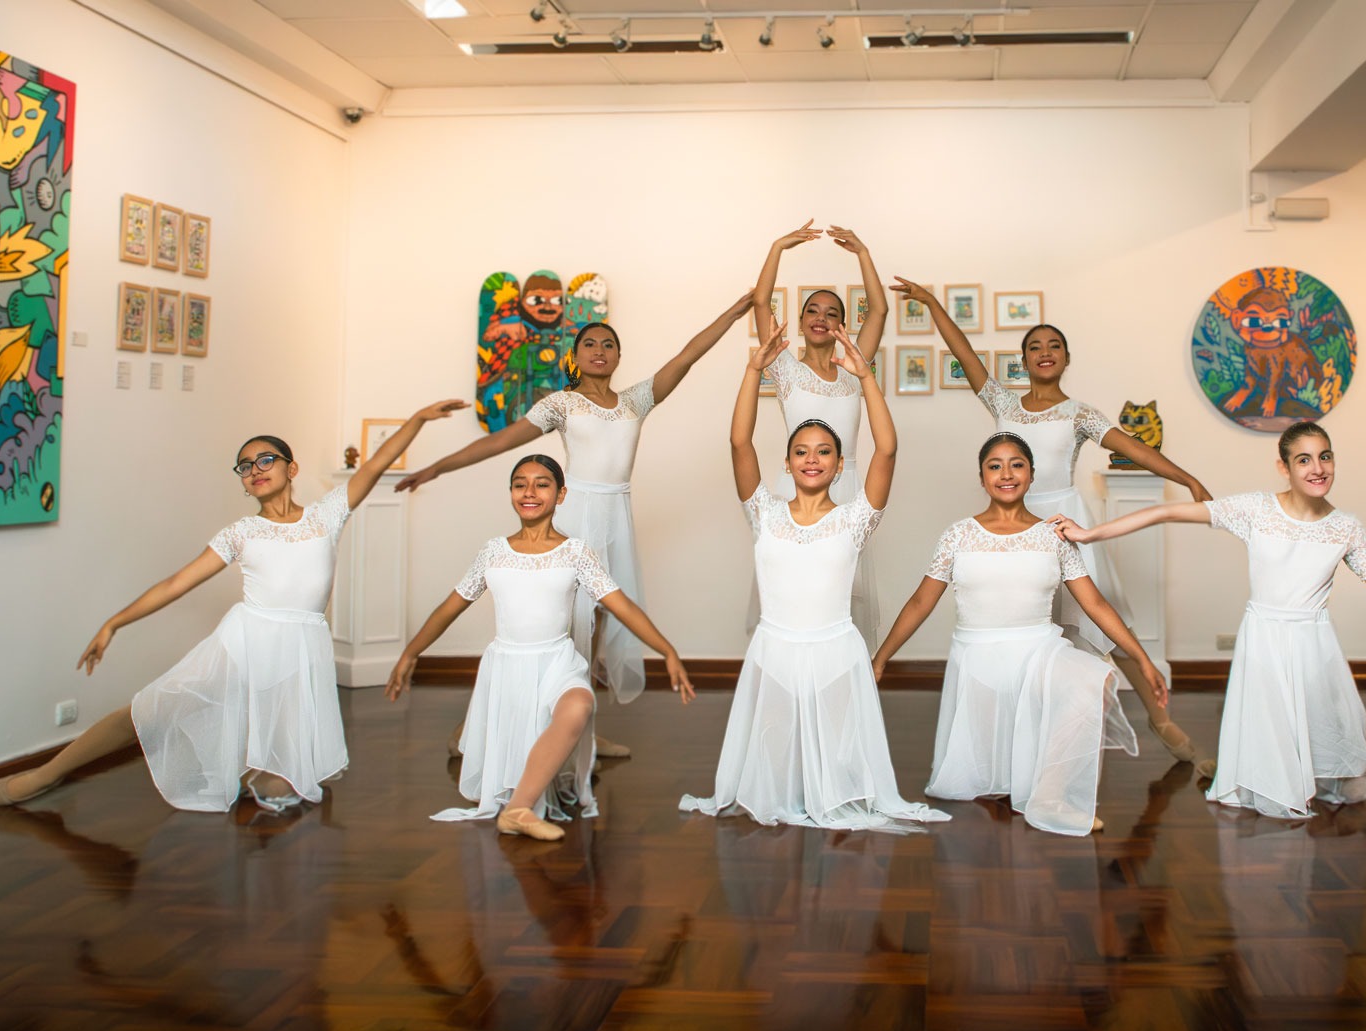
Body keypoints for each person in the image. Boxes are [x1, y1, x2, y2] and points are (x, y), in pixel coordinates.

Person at [0, 400, 469, 812]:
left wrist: (418, 419)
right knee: (149, 711)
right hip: (246, 641)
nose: (256, 470)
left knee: (286, 787)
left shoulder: (326, 516)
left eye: (266, 460)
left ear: (291, 468)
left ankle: (248, 771)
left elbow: (377, 463)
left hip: (300, 649)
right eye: (246, 466)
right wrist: (115, 622)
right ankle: (47, 773)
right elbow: (176, 582)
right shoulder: (241, 533)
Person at [400, 294, 750, 758]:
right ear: (576, 355)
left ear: (619, 356)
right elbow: (502, 440)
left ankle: (579, 728)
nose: (599, 349)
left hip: (616, 518)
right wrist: (438, 467)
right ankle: (474, 731)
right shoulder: (562, 404)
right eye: (590, 343)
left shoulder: (635, 402)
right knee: (560, 626)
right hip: (575, 515)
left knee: (600, 626)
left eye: (608, 343)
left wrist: (734, 312)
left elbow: (687, 355)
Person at [894, 277, 1216, 776]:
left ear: (1066, 358)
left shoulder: (1079, 413)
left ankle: (1159, 719)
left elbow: (1133, 447)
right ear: (1023, 360)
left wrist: (1187, 476)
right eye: (1034, 347)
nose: (1045, 353)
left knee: (1106, 625)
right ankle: (1032, 740)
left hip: (1065, 524)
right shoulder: (1004, 406)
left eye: (1054, 346)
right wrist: (934, 303)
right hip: (1012, 525)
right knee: (1032, 630)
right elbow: (965, 353)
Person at [1053, 421, 1366, 819]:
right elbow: (1167, 512)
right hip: (1263, 640)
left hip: (1315, 646)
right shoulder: (1255, 510)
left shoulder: (1346, 528)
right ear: (1284, 467)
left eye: (1325, 457)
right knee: (1271, 738)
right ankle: (1274, 788)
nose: (1317, 468)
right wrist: (1090, 535)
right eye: (1304, 460)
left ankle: (1317, 782)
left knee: (1325, 734)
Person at [680, 321, 948, 831]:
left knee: (840, 771)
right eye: (801, 451)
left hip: (835, 652)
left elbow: (888, 451)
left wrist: (865, 377)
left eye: (823, 452)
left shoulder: (855, 518)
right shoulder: (764, 511)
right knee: (777, 771)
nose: (811, 459)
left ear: (839, 463)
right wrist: (751, 370)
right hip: (775, 650)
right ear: (787, 460)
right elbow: (739, 443)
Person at [386, 454, 695, 841]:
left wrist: (667, 651)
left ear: (561, 494)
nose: (529, 491)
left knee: (579, 705)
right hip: (508, 667)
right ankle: (517, 806)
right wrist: (410, 653)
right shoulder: (493, 551)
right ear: (512, 493)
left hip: (558, 662)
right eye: (520, 484)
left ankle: (516, 810)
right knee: (519, 744)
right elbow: (449, 608)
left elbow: (622, 605)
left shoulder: (576, 552)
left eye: (542, 483)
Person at [871, 433, 1155, 835]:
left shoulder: (1053, 535)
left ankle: (1052, 795)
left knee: (1094, 678)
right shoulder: (957, 535)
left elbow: (1095, 605)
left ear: (1032, 474)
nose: (1006, 473)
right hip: (978, 659)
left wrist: (1142, 659)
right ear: (982, 477)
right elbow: (920, 602)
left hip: (1039, 651)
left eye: (1017, 464)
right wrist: (881, 658)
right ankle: (1017, 780)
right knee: (986, 777)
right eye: (995, 465)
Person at [749, 221, 889, 648]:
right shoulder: (784, 366)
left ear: (842, 326)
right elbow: (759, 303)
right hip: (798, 486)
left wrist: (864, 253)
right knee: (793, 584)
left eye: (832, 313)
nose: (821, 319)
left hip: (849, 488)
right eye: (813, 310)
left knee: (843, 592)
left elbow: (880, 311)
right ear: (802, 318)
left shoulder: (854, 366)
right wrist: (777, 248)